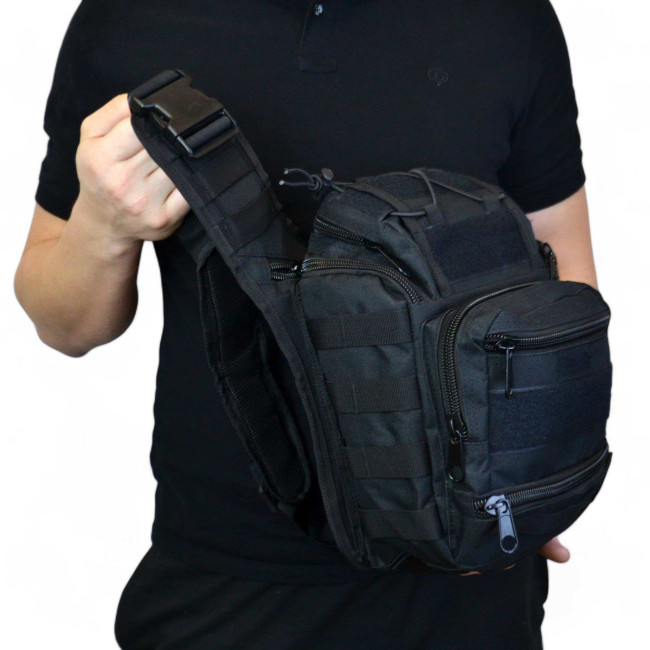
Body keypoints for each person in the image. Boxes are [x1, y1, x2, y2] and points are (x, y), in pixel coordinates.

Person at [14, 1, 599, 648]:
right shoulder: (127, 18)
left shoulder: (508, 19)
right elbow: (65, 326)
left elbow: (563, 277)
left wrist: (537, 471)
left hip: (467, 573)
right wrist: (103, 223)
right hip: (226, 579)